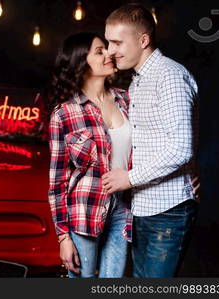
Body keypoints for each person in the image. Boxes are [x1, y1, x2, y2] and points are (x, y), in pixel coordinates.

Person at [102, 4, 199, 277]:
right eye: (108, 42)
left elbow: (181, 148)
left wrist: (128, 178)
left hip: (168, 211)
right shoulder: (139, 80)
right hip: (142, 208)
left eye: (117, 42)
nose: (110, 50)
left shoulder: (169, 76)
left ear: (143, 40)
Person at [47, 32, 132, 278]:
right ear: (81, 62)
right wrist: (63, 236)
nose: (109, 54)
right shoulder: (64, 113)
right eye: (99, 51)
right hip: (85, 209)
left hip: (123, 208)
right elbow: (57, 182)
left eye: (106, 48)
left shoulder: (126, 99)